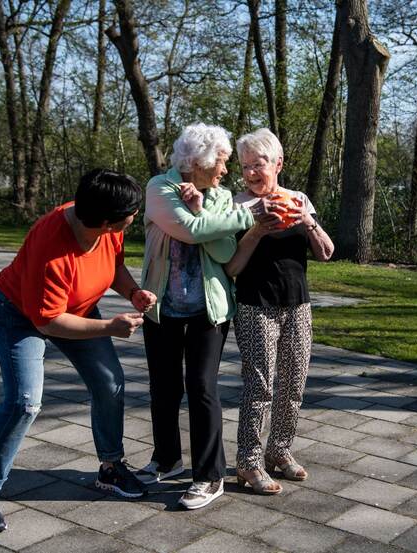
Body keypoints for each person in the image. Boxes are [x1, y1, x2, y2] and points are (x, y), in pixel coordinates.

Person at [0, 169, 157, 535]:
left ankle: (111, 467)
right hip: (18, 315)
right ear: (105, 221)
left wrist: (132, 292)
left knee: (110, 382)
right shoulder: (51, 247)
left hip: (77, 309)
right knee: (24, 401)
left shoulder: (105, 229)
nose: (134, 218)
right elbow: (48, 322)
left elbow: (112, 266)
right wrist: (110, 328)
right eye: (129, 215)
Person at [137, 123, 279, 509]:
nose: (226, 170)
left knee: (201, 388)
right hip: (161, 307)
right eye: (221, 161)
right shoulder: (159, 188)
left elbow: (221, 250)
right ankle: (165, 459)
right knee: (164, 388)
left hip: (209, 310)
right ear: (197, 161)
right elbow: (190, 230)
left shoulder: (217, 196)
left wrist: (211, 213)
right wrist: (248, 215)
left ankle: (209, 475)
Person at [226, 128, 334, 495]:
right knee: (259, 387)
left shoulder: (298, 199)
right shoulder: (237, 205)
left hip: (298, 304)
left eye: (259, 165)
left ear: (278, 164)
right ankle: (249, 461)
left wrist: (307, 221)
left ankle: (280, 451)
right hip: (256, 305)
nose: (252, 173)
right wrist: (256, 230)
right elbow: (232, 267)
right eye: (245, 167)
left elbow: (326, 252)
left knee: (294, 384)